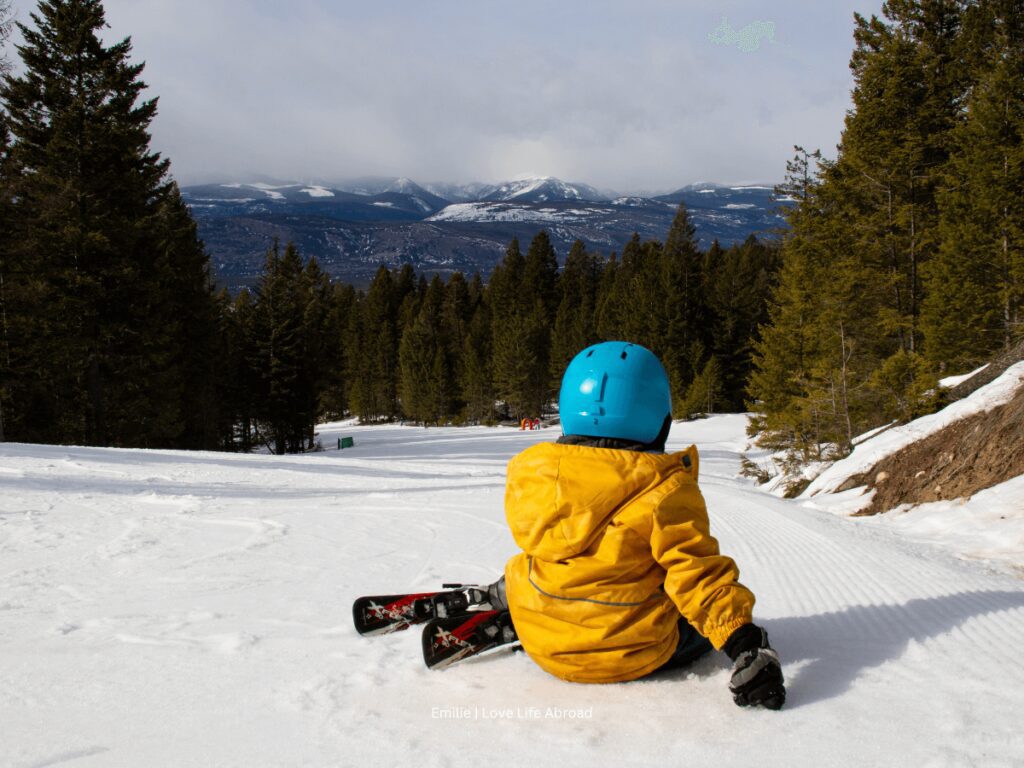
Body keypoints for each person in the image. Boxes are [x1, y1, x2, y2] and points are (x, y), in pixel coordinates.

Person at [487, 340, 785, 709]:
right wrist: (744, 641)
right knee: (689, 614)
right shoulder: (665, 490)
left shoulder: (534, 477)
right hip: (633, 654)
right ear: (658, 418)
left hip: (542, 645)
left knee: (538, 560)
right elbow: (695, 574)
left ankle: (517, 599)